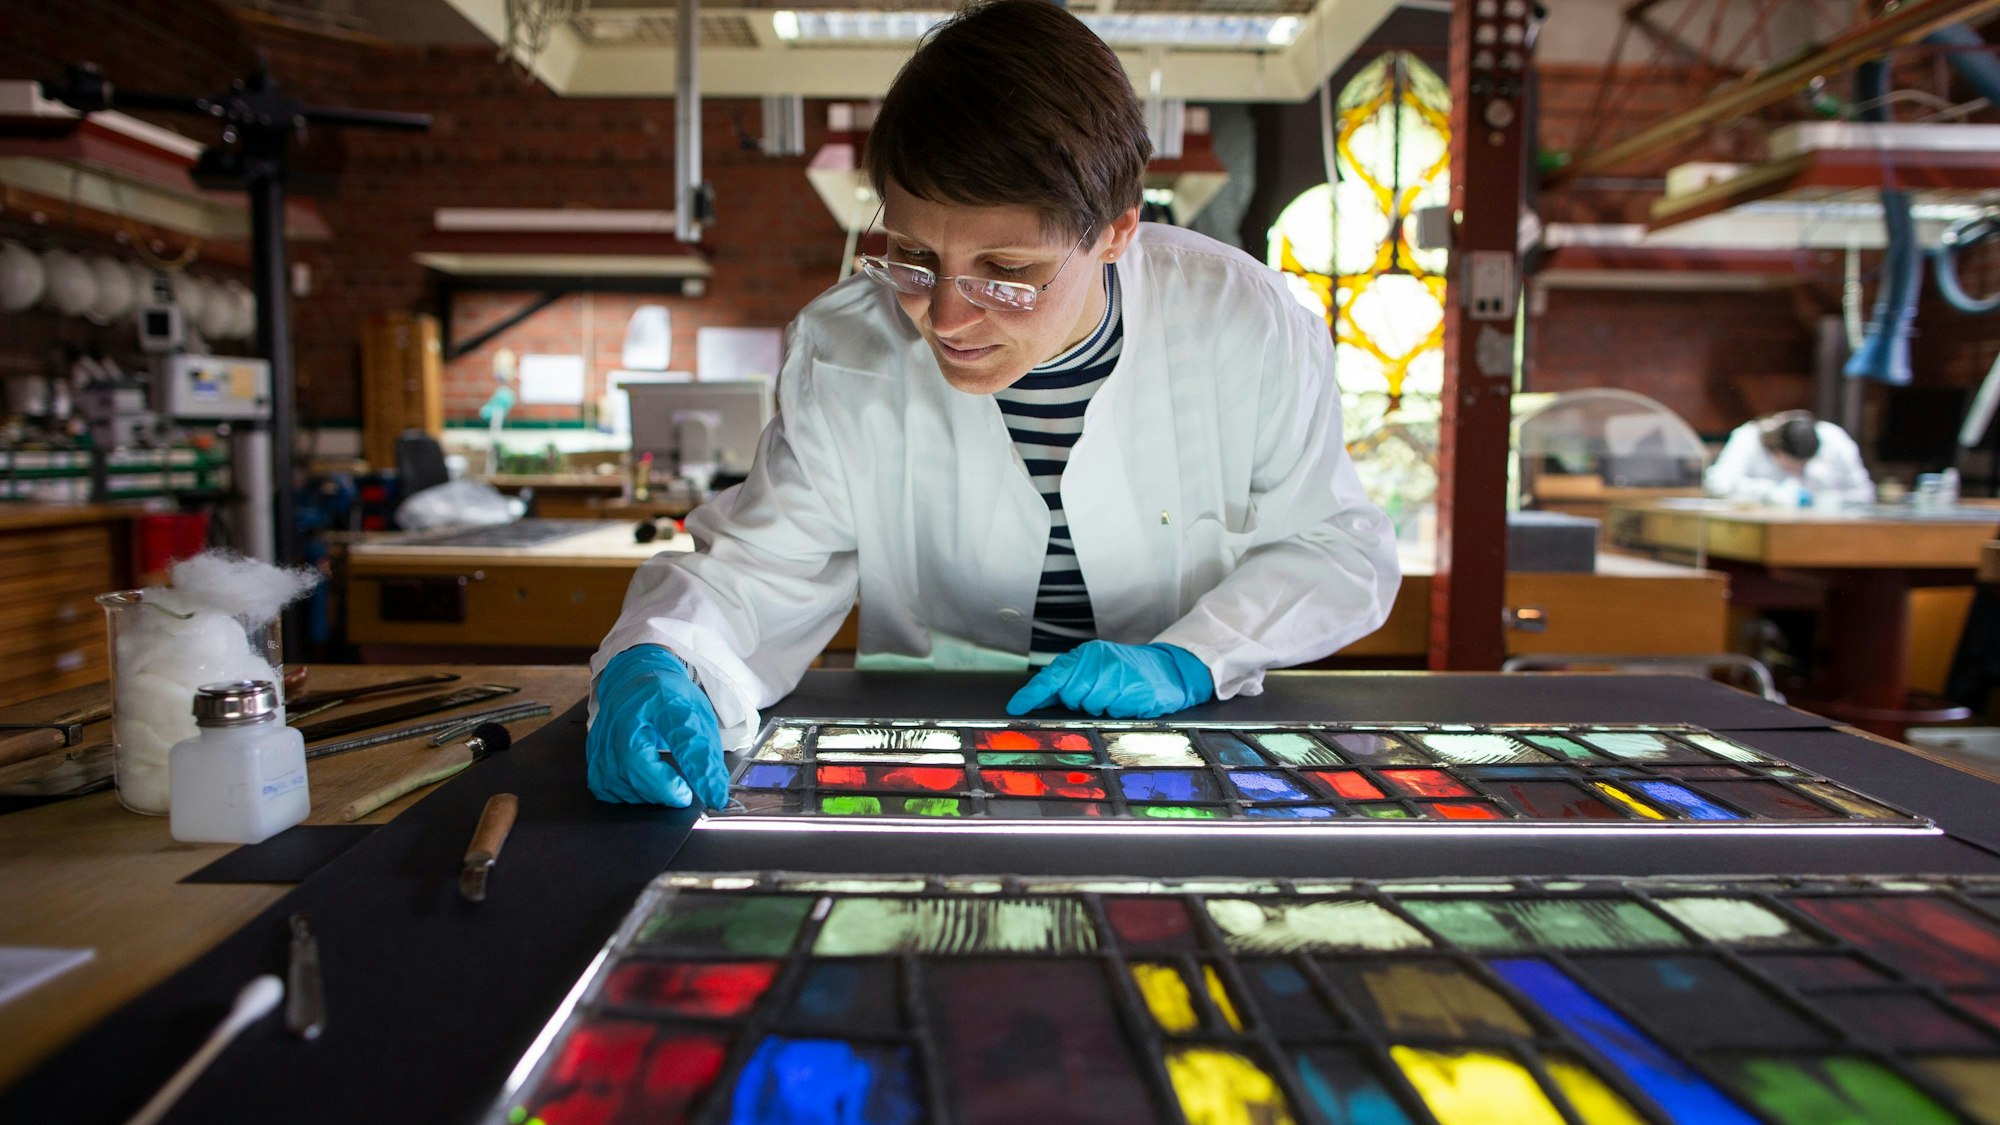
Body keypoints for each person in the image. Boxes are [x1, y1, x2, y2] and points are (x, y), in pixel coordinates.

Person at [584, 0, 1400, 808]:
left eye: (1005, 271)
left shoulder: (1245, 322)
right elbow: (756, 575)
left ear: (1117, 232)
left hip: (1179, 752)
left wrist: (1194, 655)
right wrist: (663, 656)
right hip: (922, 757)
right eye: (912, 257)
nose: (944, 316)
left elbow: (1337, 546)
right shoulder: (847, 352)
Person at [1705, 410, 1874, 507]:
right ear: (1776, 449)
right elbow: (1717, 485)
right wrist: (1768, 493)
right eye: (1791, 463)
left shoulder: (1835, 440)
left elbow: (1864, 494)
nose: (1797, 470)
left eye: (1803, 464)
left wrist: (1822, 500)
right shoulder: (1748, 438)